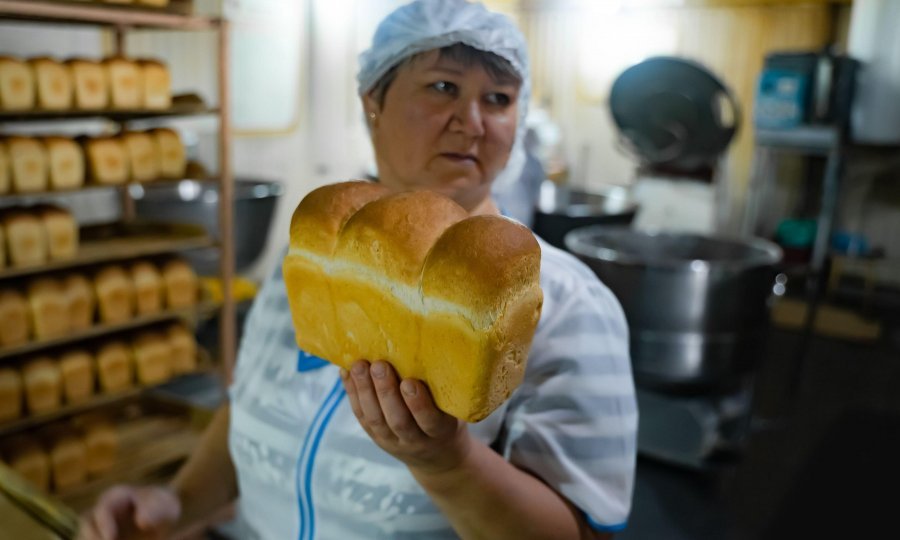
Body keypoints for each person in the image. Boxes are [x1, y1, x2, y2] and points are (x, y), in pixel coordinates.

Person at [77, 1, 637, 538]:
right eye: (443, 87)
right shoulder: (309, 256)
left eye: (498, 98)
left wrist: (449, 465)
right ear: (374, 100)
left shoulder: (564, 303)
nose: (472, 122)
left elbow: (580, 535)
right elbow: (246, 406)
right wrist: (173, 504)